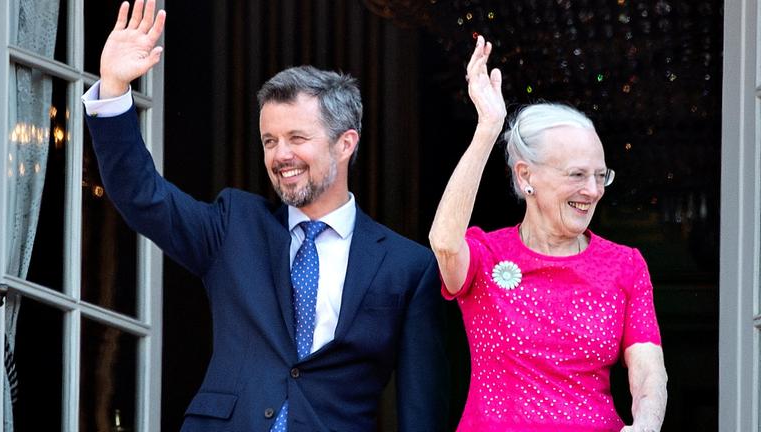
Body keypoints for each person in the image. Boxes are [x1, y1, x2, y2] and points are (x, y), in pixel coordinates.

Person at [82, 1, 448, 430]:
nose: (281, 155)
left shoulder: (408, 266)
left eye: (297, 137)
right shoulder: (234, 225)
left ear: (346, 143)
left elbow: (422, 410)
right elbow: (142, 195)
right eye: (270, 140)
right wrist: (112, 89)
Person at [429, 36, 667, 432]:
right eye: (576, 175)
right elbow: (443, 243)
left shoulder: (625, 264)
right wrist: (488, 128)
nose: (591, 190)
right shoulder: (485, 254)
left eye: (598, 176)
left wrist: (646, 424)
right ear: (526, 176)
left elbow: (648, 371)